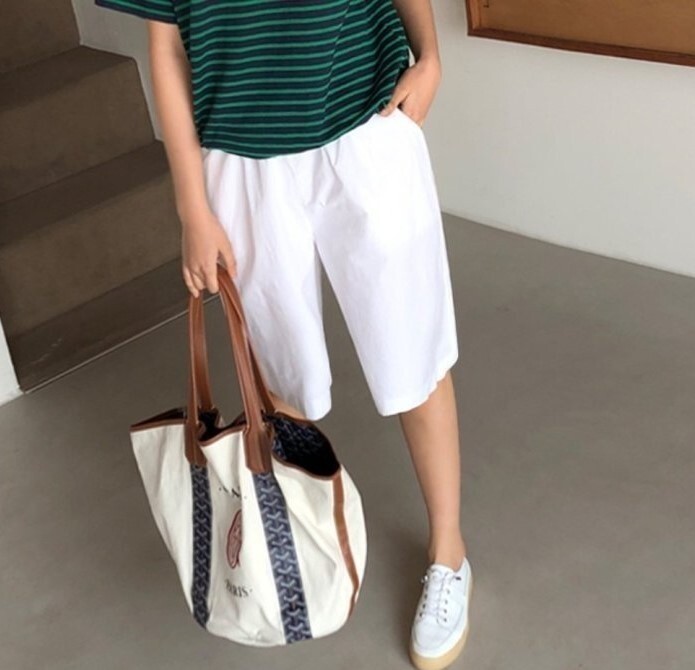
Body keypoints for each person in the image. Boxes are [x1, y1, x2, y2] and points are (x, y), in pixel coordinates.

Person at [95, 0, 472, 667]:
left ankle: (449, 553)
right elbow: (167, 47)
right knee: (279, 377)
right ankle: (299, 548)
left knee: (413, 356)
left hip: (369, 124)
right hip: (242, 159)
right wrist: (191, 208)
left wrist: (431, 57)